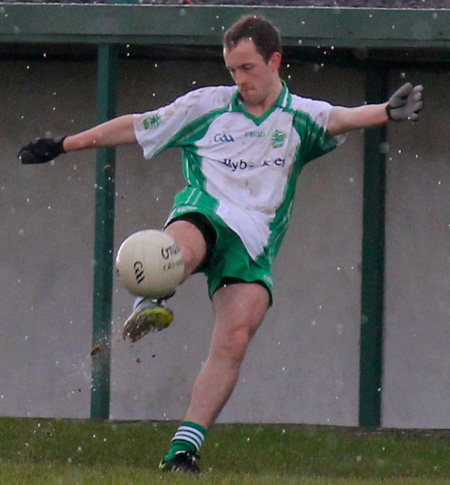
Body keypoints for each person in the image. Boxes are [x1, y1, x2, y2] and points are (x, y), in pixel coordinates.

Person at [18, 14, 423, 474]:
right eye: (232, 69)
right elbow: (136, 127)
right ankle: (154, 293)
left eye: (248, 68)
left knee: (232, 341)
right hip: (204, 212)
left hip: (255, 244)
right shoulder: (207, 106)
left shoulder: (300, 117)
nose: (239, 79)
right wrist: (64, 144)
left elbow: (342, 118)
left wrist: (387, 112)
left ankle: (182, 452)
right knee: (180, 247)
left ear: (275, 61)